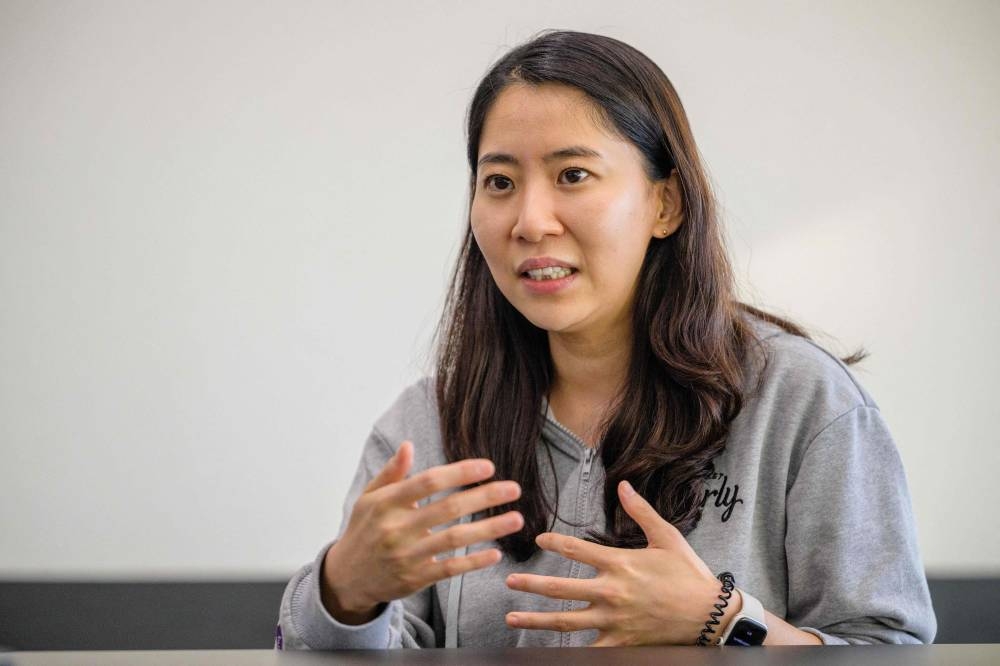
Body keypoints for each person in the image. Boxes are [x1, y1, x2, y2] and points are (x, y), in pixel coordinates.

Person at [276, 30, 936, 649]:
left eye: (572, 176)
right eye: (499, 182)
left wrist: (725, 621)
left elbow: (893, 650)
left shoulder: (800, 400)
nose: (530, 221)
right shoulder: (425, 426)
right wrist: (344, 593)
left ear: (665, 204)